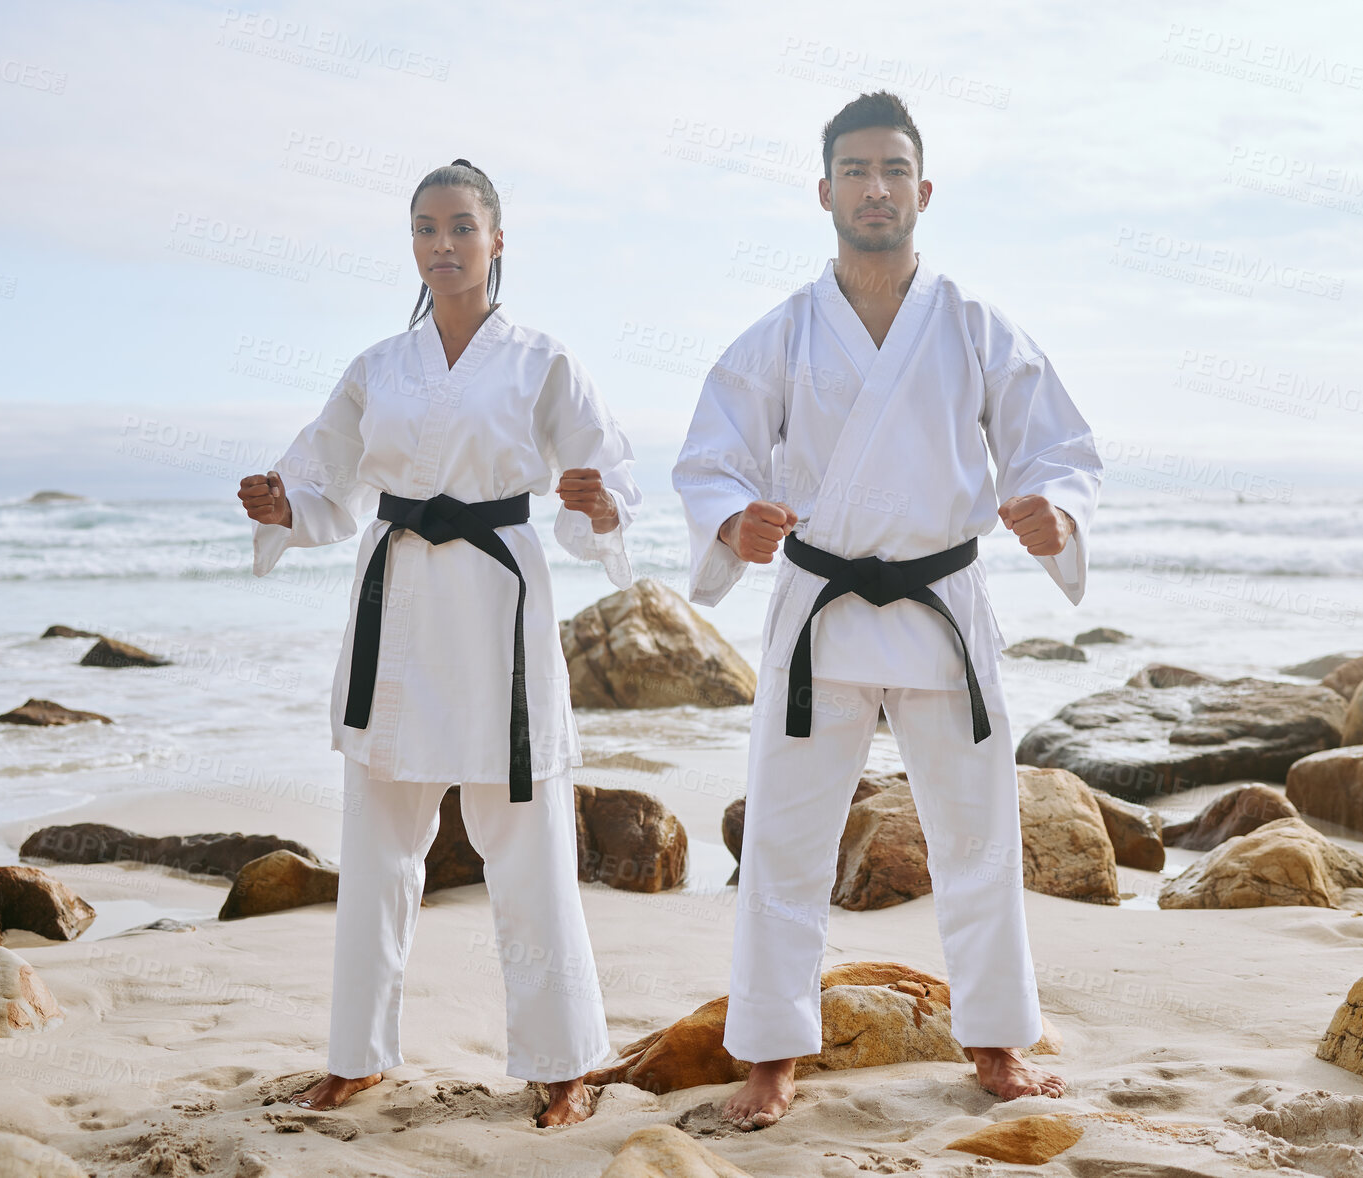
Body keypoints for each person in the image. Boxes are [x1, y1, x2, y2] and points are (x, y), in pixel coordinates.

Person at [672, 91, 1103, 1130]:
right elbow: (712, 456)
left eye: (893, 169)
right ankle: (772, 1052)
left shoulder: (973, 325)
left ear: (924, 187)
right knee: (784, 836)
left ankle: (997, 1039)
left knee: (978, 833)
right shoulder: (780, 334)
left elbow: (1057, 447)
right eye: (855, 170)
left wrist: (1057, 518)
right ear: (824, 190)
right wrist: (737, 523)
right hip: (819, 605)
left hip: (941, 600)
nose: (875, 187)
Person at [237, 158, 640, 1127]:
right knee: (376, 846)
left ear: (498, 241)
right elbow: (325, 479)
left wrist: (600, 502)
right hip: (401, 601)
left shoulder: (543, 359)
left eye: (462, 226)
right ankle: (357, 1053)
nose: (443, 244)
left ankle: (562, 1062)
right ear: (411, 244)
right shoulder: (379, 365)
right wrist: (285, 503)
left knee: (530, 844)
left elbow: (606, 478)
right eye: (425, 228)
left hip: (497, 600)